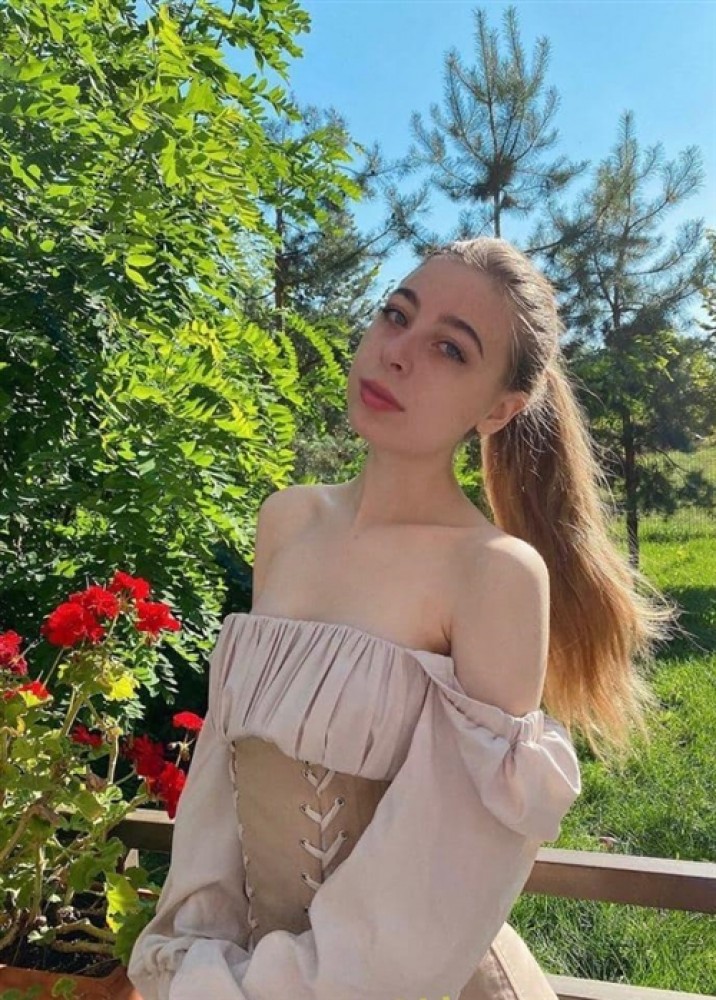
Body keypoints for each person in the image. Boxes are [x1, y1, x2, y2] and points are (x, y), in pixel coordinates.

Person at [127, 237, 677, 1000]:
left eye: (450, 349)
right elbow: (222, 775)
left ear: (500, 409)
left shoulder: (494, 574)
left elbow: (442, 880)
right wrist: (188, 959)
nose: (396, 352)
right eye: (396, 315)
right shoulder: (287, 522)